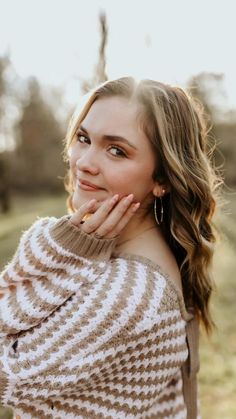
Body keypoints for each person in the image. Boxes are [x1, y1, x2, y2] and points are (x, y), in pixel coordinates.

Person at [0, 77, 222, 419]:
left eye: (116, 150)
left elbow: (7, 376)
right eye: (84, 138)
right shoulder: (120, 261)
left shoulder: (132, 292)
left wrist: (57, 250)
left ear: (162, 179)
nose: (84, 162)